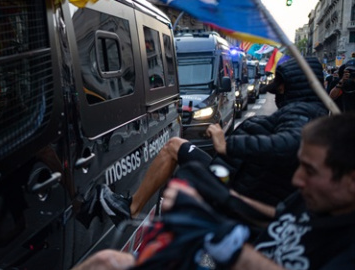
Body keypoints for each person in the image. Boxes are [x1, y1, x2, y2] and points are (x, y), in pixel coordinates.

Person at [72, 113, 355, 270]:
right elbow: (279, 216)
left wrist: (229, 245)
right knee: (105, 262)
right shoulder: (316, 201)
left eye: (310, 170)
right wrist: (225, 200)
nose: (297, 179)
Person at [80, 57, 328, 227]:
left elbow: (290, 143)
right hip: (236, 175)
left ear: (295, 84)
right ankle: (127, 209)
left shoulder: (302, 112)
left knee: (174, 148)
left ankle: (131, 210)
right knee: (177, 158)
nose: (278, 90)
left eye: (281, 85)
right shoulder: (306, 109)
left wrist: (226, 145)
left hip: (234, 184)